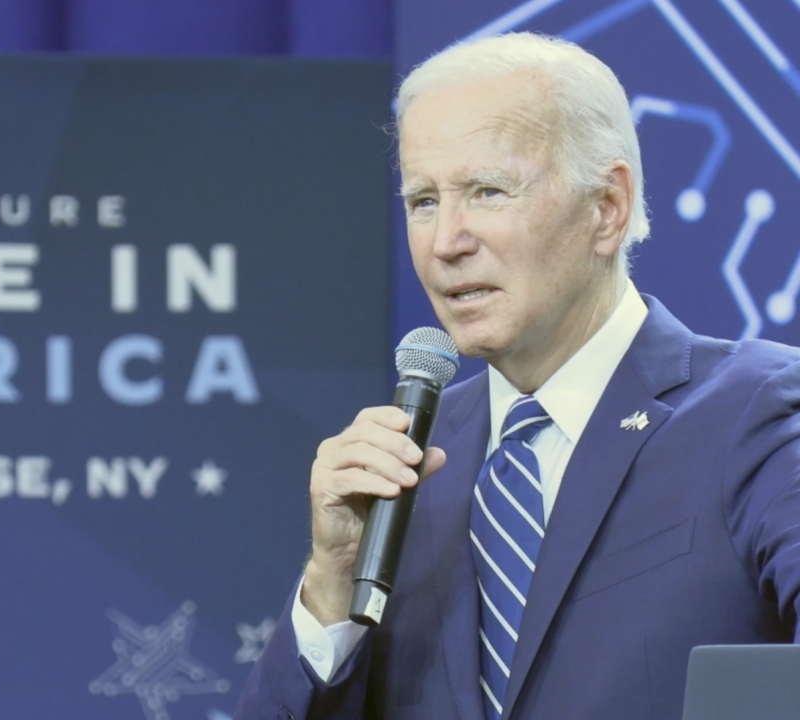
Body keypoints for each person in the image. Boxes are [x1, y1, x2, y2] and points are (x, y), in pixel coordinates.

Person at [235, 32, 800, 720]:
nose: (447, 241)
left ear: (607, 208)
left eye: (488, 192)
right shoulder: (402, 467)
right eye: (423, 201)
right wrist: (332, 590)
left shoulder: (758, 413)